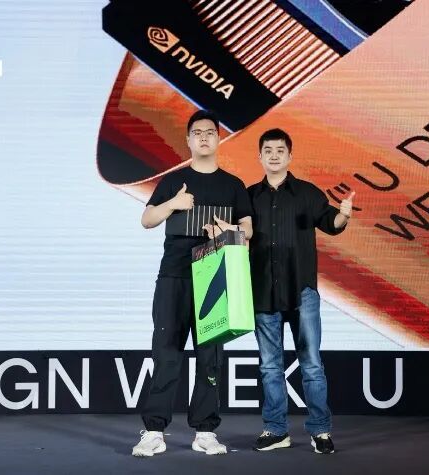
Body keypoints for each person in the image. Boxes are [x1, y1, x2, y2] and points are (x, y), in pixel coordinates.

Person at [132, 110, 253, 457]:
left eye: (210, 132)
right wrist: (174, 203)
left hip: (215, 277)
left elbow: (248, 230)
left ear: (219, 138)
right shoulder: (173, 182)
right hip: (174, 277)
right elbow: (147, 220)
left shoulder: (233, 185)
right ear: (188, 140)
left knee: (210, 357)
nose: (203, 137)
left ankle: (205, 431)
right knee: (166, 352)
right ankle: (154, 431)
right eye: (197, 132)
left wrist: (229, 231)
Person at [248, 128, 355, 454]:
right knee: (270, 366)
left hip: (302, 290)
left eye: (280, 150)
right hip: (263, 291)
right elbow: (238, 234)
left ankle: (320, 431)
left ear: (290, 156)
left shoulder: (308, 193)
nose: (274, 155)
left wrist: (343, 216)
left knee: (311, 364)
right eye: (268, 150)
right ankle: (275, 430)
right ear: (260, 156)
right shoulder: (249, 196)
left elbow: (331, 224)